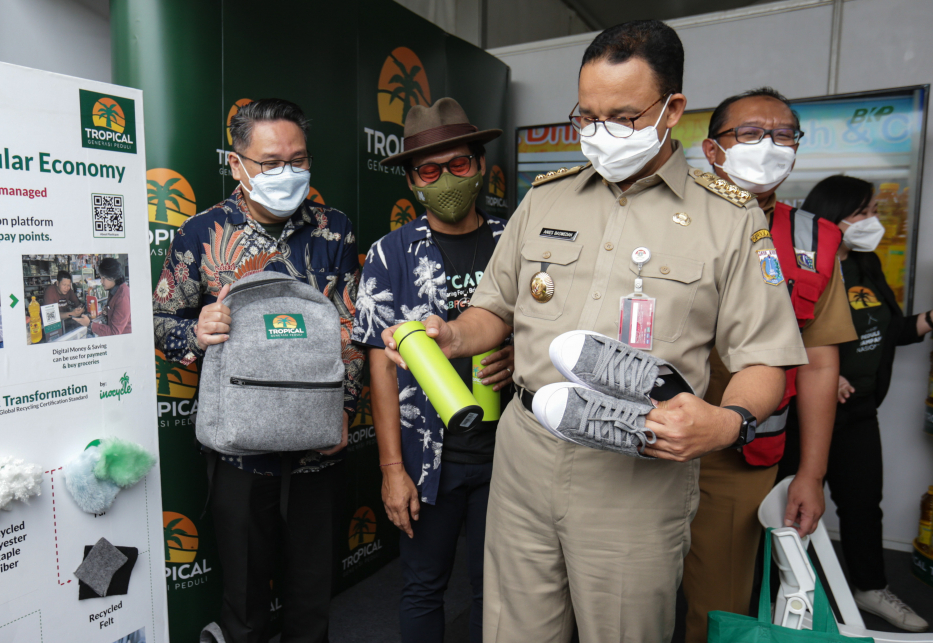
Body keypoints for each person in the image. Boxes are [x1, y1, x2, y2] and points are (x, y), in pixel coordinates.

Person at [379, 20, 808, 643]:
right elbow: (494, 310)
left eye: (624, 116)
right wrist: (451, 337)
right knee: (510, 630)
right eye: (587, 115)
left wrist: (726, 422)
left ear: (673, 109)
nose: (600, 133)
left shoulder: (729, 220)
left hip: (636, 472)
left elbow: (766, 359)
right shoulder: (546, 199)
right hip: (526, 458)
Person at [152, 98, 363, 643]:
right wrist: (194, 332)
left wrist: (346, 410)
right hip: (238, 449)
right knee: (244, 597)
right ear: (237, 164)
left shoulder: (333, 230)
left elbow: (354, 329)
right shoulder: (202, 233)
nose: (286, 173)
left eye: (297, 160)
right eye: (270, 163)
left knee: (313, 593)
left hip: (320, 444)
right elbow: (158, 319)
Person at [682, 88, 857, 642]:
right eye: (751, 133)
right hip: (641, 444)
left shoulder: (815, 241)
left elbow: (820, 364)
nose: (769, 146)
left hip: (741, 456)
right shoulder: (665, 214)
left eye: (783, 135)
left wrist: (810, 473)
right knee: (615, 597)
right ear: (713, 150)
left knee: (719, 610)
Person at [352, 97, 514, 643]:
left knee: (499, 589)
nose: (446, 179)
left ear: (480, 166)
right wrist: (392, 469)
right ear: (413, 184)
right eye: (429, 170)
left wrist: (520, 352)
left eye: (459, 165)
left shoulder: (513, 240)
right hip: (428, 458)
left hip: (512, 453)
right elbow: (380, 367)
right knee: (423, 587)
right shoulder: (388, 255)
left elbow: (553, 326)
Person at [779, 175, 933, 632]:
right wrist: (826, 373)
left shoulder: (867, 264)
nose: (873, 221)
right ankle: (782, 598)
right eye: (862, 213)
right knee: (788, 508)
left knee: (864, 503)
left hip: (861, 411)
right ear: (829, 218)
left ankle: (870, 588)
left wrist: (931, 320)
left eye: (873, 211)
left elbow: (889, 331)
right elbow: (778, 333)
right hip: (801, 412)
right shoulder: (804, 267)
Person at [74, 258, 132, 336]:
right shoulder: (114, 290)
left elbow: (114, 332)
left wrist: (90, 324)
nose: (101, 281)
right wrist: (107, 312)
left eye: (103, 278)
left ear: (113, 277)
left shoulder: (122, 297)